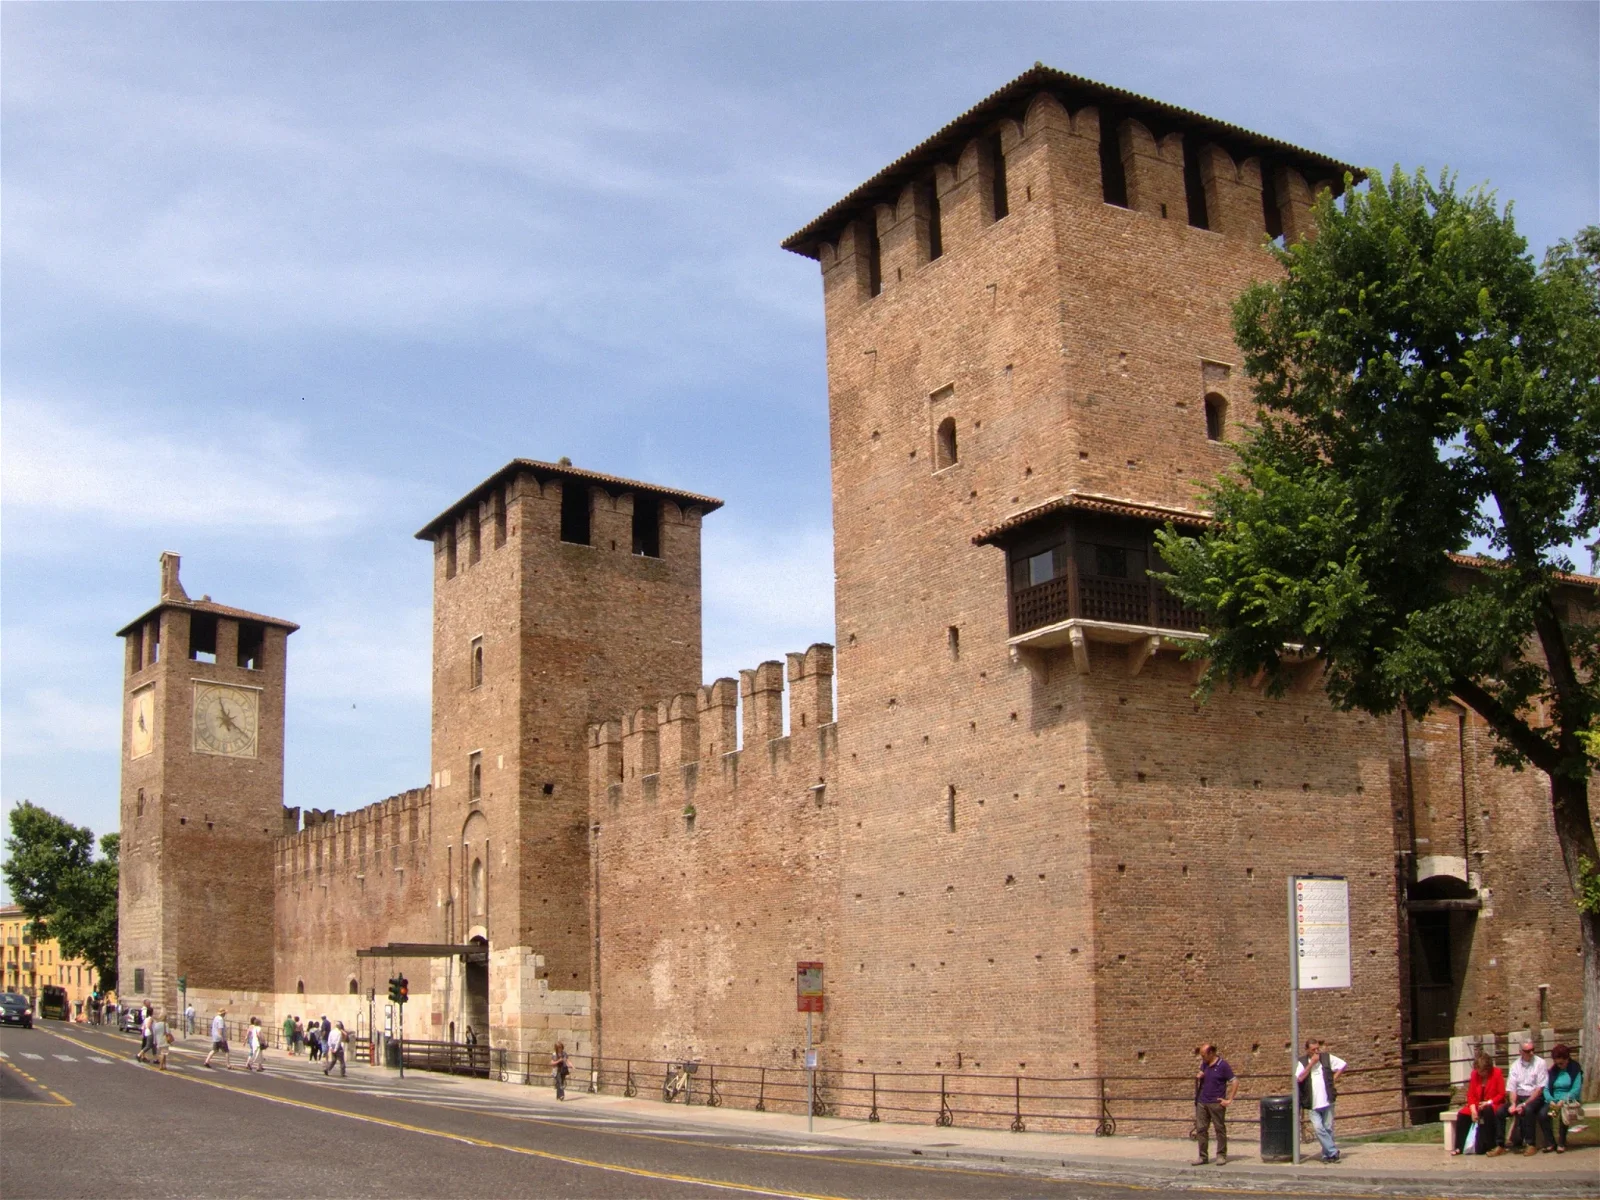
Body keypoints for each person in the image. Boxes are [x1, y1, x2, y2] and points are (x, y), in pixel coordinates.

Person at [1295, 1038, 1347, 1163]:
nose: (1316, 1052)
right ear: (1307, 1050)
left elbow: (1342, 1065)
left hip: (1327, 1100)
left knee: (1328, 1128)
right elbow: (1299, 1078)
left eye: (1318, 1049)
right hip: (1313, 1102)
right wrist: (1311, 1064)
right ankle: (1333, 1151)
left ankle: (1327, 1155)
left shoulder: (1326, 1058)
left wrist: (1333, 1079)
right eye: (1313, 1050)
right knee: (1318, 1128)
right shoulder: (1302, 1062)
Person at [1452, 1049, 1507, 1156]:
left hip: (1492, 1104)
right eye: (1478, 1071)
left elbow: (1501, 1094)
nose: (1480, 1074)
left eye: (1482, 1071)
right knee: (1462, 1115)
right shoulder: (1474, 1075)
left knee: (1486, 1112)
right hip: (1477, 1104)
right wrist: (1473, 1110)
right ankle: (1459, 1146)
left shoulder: (1497, 1073)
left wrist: (1489, 1102)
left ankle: (1486, 1144)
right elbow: (1471, 1095)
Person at [1192, 1043, 1237, 1165]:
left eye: (1204, 1055)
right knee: (1201, 1129)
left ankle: (1221, 1155)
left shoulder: (1223, 1065)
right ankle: (1203, 1156)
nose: (1202, 1058)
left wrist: (1229, 1100)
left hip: (1216, 1103)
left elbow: (1234, 1081)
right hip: (1202, 1101)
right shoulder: (1204, 1064)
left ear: (1211, 1053)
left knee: (1219, 1129)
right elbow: (1201, 1075)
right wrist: (1199, 1076)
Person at [1506, 1039, 1550, 1154]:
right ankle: (1500, 1143)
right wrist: (1513, 1104)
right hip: (1520, 1095)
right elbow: (1512, 1087)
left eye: (1532, 1050)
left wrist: (1524, 1104)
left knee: (1528, 1109)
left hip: (1535, 1096)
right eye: (1527, 1051)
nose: (1531, 1053)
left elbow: (1539, 1088)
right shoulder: (1515, 1066)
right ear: (1521, 1052)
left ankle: (1531, 1144)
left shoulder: (1540, 1063)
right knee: (1501, 1112)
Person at [1539, 1044, 1583, 1154]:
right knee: (1543, 1114)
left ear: (1567, 1059)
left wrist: (1563, 1100)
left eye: (1561, 1063)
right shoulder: (1553, 1071)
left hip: (1568, 1099)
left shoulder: (1575, 1069)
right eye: (1557, 1063)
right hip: (1554, 1100)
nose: (1559, 1065)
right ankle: (1550, 1142)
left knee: (1564, 1113)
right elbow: (1546, 1088)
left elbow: (1576, 1089)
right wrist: (1551, 1100)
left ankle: (1562, 1142)